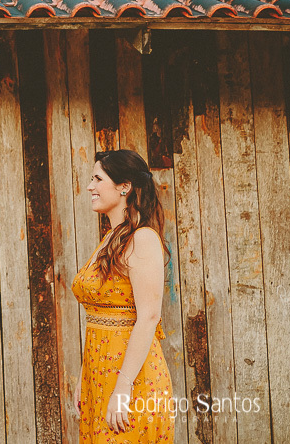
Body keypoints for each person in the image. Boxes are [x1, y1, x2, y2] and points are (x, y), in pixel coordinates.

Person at [71, 149, 174, 442]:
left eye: (97, 178)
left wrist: (123, 387)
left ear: (124, 187)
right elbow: (99, 318)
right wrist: (84, 377)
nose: (90, 186)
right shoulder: (110, 238)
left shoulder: (141, 238)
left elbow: (149, 316)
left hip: (130, 380)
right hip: (99, 373)